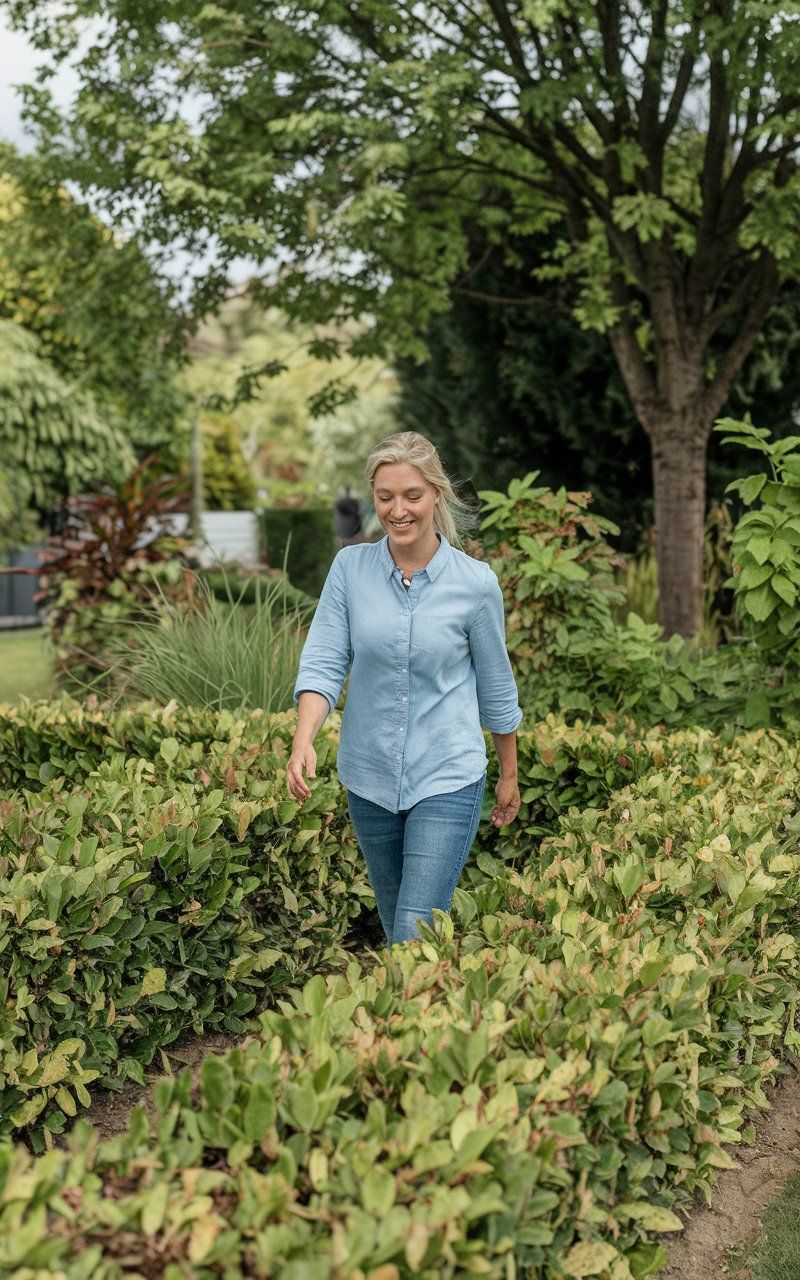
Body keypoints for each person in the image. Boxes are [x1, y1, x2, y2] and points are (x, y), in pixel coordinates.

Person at [287, 431, 523, 947]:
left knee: (412, 938)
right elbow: (324, 661)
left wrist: (509, 773)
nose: (398, 510)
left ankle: (402, 1023)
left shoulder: (475, 583)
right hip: (368, 778)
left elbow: (497, 688)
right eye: (385, 497)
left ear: (436, 494)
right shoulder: (349, 570)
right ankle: (425, 1023)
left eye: (411, 495)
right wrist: (303, 740)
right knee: (400, 929)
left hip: (447, 777)